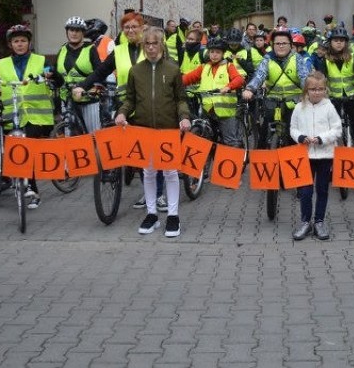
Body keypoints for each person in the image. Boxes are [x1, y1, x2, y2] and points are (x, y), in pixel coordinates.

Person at [115, 27, 191, 237]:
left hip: (168, 130)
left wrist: (184, 117)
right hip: (144, 130)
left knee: (170, 172)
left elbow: (180, 99)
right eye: (146, 44)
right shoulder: (136, 71)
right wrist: (122, 113)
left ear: (161, 45)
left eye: (154, 43)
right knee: (148, 172)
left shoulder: (173, 70)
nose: (150, 47)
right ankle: (152, 214)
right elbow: (130, 99)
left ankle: (173, 216)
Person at [75, 12, 150, 208]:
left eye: (134, 27)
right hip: (125, 107)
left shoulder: (151, 47)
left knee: (146, 152)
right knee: (126, 147)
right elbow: (100, 71)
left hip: (149, 107)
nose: (131, 30)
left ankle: (154, 193)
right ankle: (119, 175)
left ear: (142, 28)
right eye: (127, 28)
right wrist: (83, 85)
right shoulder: (119, 51)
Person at [0, 24, 54, 209]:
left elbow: (53, 75)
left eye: (23, 41)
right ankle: (11, 178)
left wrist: (51, 74)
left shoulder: (40, 60)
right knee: (13, 151)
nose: (19, 44)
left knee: (28, 152)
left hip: (36, 116)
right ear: (10, 45)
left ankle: (33, 191)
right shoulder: (1, 64)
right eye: (16, 41)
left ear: (29, 43)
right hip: (12, 115)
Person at [290, 71, 342, 241]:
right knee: (305, 192)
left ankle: (319, 221)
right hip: (305, 155)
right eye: (313, 89)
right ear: (306, 90)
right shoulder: (299, 108)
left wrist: (321, 139)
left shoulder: (329, 107)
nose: (317, 92)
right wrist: (300, 137)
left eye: (320, 89)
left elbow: (337, 129)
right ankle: (305, 221)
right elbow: (293, 128)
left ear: (325, 90)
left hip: (325, 155)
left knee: (322, 190)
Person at [242, 28, 310, 143]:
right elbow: (259, 75)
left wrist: (307, 94)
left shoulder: (297, 58)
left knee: (293, 135)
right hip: (272, 102)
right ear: (273, 45)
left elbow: (304, 78)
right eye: (277, 43)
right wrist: (250, 89)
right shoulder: (267, 59)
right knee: (263, 137)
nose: (281, 46)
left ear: (290, 45)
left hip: (293, 103)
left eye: (284, 43)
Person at [182, 37, 245, 148]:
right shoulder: (204, 67)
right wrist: (174, 83)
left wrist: (228, 87)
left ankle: (238, 159)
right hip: (208, 109)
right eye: (212, 52)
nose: (214, 55)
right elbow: (188, 78)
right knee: (204, 137)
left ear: (223, 54)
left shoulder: (228, 66)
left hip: (225, 112)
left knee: (231, 142)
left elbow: (239, 79)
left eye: (217, 52)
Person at [315, 27, 354, 148]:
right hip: (334, 98)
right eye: (336, 40)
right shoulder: (325, 60)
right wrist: (322, 93)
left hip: (353, 96)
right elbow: (321, 79)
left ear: (346, 43)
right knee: (331, 129)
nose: (339, 43)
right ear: (330, 43)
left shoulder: (353, 57)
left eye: (342, 41)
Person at [53, 16, 102, 133]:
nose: (74, 33)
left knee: (93, 136)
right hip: (67, 100)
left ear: (83, 33)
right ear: (67, 32)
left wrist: (92, 89)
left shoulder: (90, 49)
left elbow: (100, 73)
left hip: (88, 100)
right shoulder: (62, 50)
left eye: (77, 30)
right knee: (69, 136)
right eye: (71, 30)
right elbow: (56, 74)